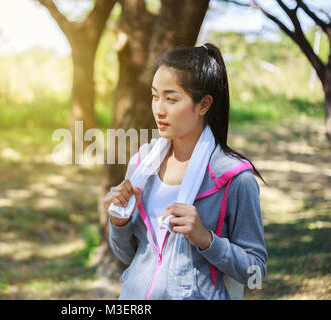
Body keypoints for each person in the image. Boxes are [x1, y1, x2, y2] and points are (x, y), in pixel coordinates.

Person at [102, 43, 268, 300]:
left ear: (203, 105)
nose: (159, 109)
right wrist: (119, 222)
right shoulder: (141, 165)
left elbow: (255, 273)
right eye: (155, 96)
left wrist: (206, 239)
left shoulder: (235, 179)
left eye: (171, 98)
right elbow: (132, 257)